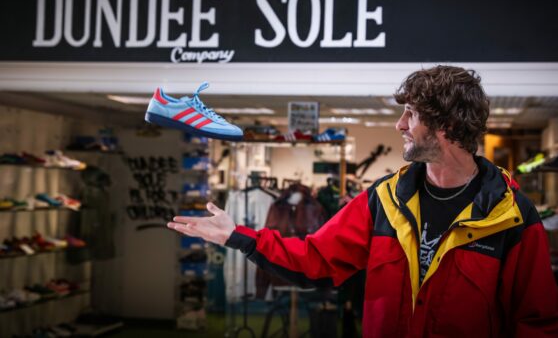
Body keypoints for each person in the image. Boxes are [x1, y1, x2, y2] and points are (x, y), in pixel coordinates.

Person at [167, 65, 558, 337]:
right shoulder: (384, 200)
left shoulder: (511, 217)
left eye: (411, 114)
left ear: (448, 125)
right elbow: (315, 261)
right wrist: (239, 236)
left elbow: (536, 321)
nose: (400, 125)